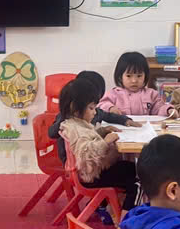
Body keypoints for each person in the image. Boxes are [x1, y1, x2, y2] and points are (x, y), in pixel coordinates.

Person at [58, 78, 138, 211]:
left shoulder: (74, 124)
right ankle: (126, 219)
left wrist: (102, 131)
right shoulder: (77, 130)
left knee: (132, 169)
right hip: (93, 177)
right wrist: (105, 141)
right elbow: (87, 153)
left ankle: (106, 206)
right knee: (137, 181)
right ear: (74, 108)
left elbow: (88, 139)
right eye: (91, 108)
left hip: (91, 172)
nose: (95, 112)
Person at [48, 70, 131, 163]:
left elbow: (106, 116)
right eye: (91, 107)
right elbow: (85, 154)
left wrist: (124, 120)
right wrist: (64, 121)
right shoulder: (69, 122)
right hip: (74, 160)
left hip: (90, 154)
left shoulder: (94, 112)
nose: (94, 111)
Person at [97, 51, 172, 118]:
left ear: (145, 76)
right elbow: (101, 104)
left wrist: (168, 110)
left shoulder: (152, 94)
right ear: (120, 76)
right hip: (121, 128)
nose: (134, 81)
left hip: (145, 127)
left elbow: (160, 108)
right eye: (128, 76)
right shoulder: (113, 94)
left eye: (139, 76)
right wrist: (110, 108)